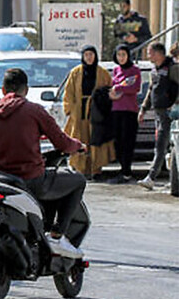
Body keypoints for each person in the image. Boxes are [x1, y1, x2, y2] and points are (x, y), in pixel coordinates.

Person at [0, 68, 87, 258]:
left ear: (3, 90)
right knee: (78, 180)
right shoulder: (34, 111)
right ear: (25, 90)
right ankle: (57, 236)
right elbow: (62, 142)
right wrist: (78, 146)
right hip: (32, 180)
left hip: (0, 181)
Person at [62, 45, 114, 179]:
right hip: (79, 112)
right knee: (79, 139)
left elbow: (109, 91)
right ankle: (80, 169)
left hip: (96, 112)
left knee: (95, 139)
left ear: (96, 56)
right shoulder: (75, 73)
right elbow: (68, 93)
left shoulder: (102, 73)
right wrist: (70, 110)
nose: (89, 57)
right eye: (86, 55)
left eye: (92, 54)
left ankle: (96, 169)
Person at [138, 42, 179, 190]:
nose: (148, 55)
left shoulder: (172, 68)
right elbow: (151, 90)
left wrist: (175, 103)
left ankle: (151, 177)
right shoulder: (155, 70)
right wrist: (143, 109)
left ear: (158, 53)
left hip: (170, 113)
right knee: (164, 145)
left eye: (150, 52)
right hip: (158, 112)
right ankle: (172, 178)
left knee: (161, 145)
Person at [108, 45, 141, 184]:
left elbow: (135, 87)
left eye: (123, 54)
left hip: (129, 111)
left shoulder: (135, 70)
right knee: (118, 142)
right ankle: (122, 169)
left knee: (128, 141)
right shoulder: (116, 70)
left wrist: (119, 87)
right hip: (116, 110)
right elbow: (111, 87)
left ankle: (127, 171)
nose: (121, 57)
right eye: (119, 55)